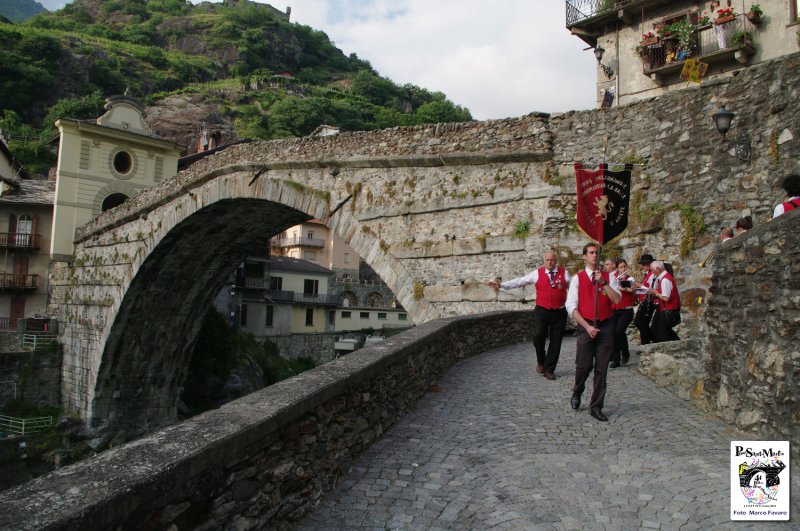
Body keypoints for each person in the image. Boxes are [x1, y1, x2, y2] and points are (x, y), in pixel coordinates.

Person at [488, 249, 570, 380]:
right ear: (544, 261)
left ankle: (549, 370)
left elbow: (574, 289)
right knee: (538, 336)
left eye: (552, 260)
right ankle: (541, 361)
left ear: (556, 260)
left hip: (559, 311)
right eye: (547, 260)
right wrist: (502, 285)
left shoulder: (564, 273)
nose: (550, 262)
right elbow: (520, 281)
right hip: (542, 310)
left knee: (556, 341)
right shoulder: (537, 273)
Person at [567, 243, 621, 422]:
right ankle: (577, 390)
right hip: (585, 325)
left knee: (601, 370)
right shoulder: (578, 278)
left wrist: (604, 283)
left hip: (606, 326)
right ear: (584, 256)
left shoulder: (609, 277)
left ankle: (596, 406)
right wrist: (587, 327)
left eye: (597, 253)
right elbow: (571, 306)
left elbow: (617, 299)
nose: (594, 256)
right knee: (583, 367)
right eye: (591, 253)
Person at [610, 259, 635, 368]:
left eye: (624, 266)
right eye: (621, 267)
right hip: (615, 309)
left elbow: (631, 290)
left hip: (627, 309)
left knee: (619, 331)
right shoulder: (613, 277)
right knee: (614, 333)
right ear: (616, 268)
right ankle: (616, 360)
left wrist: (622, 287)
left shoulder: (629, 278)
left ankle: (625, 353)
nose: (623, 269)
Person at [648, 260, 681, 342]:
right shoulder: (664, 277)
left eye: (652, 270)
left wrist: (655, 292)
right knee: (656, 329)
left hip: (669, 308)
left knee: (662, 331)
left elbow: (666, 298)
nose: (652, 272)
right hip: (665, 308)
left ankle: (669, 348)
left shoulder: (665, 280)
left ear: (658, 269)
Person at [633, 253, 656, 345]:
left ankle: (651, 340)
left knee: (641, 322)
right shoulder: (648, 274)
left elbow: (649, 288)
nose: (642, 267)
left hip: (649, 301)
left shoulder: (652, 274)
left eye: (643, 265)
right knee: (640, 323)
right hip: (645, 301)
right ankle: (647, 342)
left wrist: (638, 285)